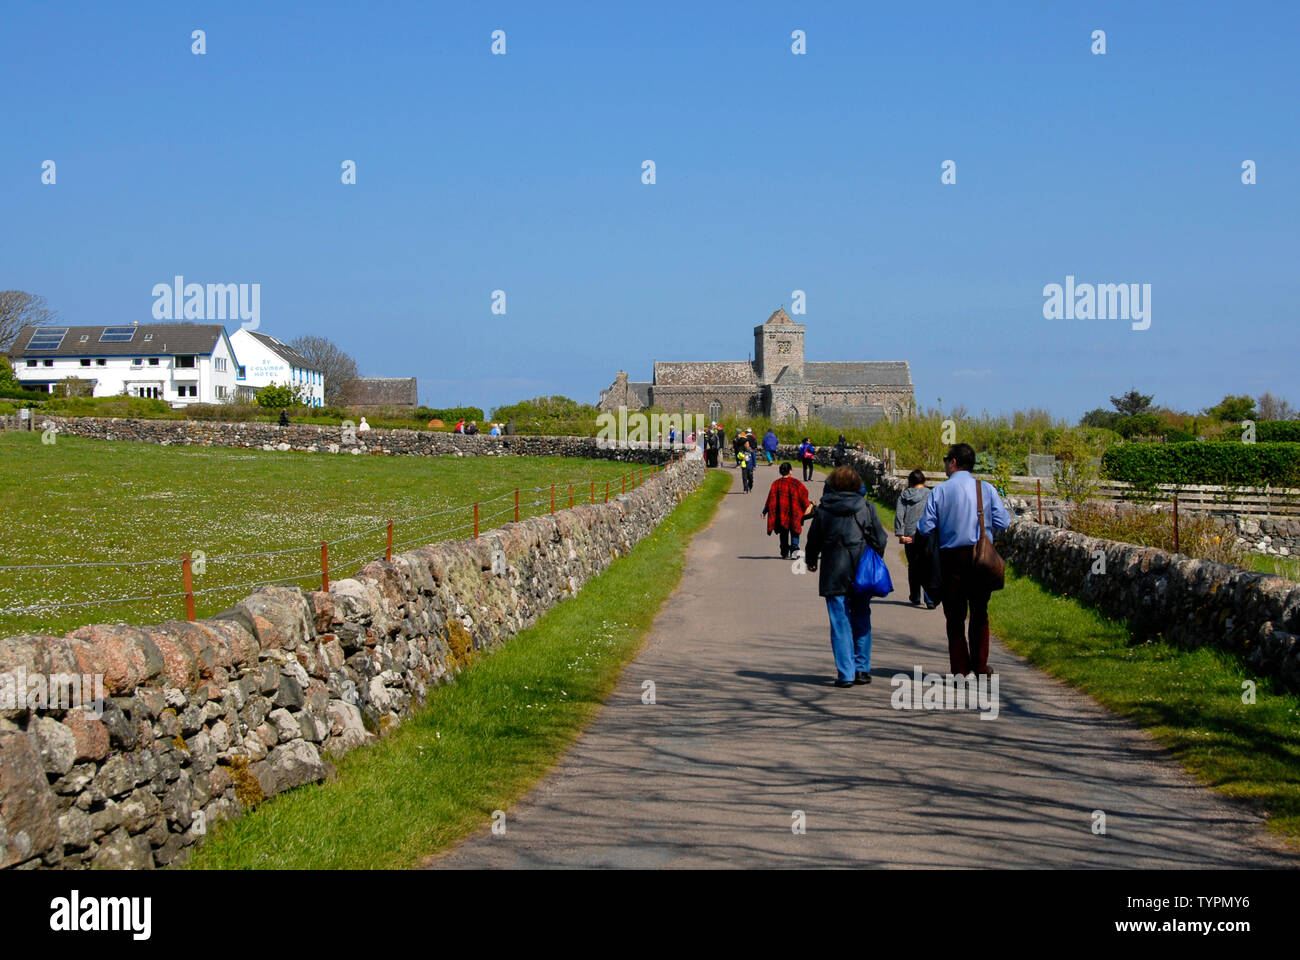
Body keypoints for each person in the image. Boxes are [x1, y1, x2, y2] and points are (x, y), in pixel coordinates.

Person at [916, 443, 1012, 676]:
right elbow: (1004, 522)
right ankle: (980, 664)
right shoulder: (985, 489)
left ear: (954, 462)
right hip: (980, 557)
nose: (946, 465)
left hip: (952, 558)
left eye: (946, 460)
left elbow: (925, 526)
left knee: (955, 616)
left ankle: (959, 667)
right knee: (980, 612)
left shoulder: (939, 491)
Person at [804, 465, 889, 687]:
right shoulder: (867, 508)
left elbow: (813, 541)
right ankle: (862, 668)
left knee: (839, 622)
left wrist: (811, 561)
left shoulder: (823, 510)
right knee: (861, 618)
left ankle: (846, 673)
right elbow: (880, 539)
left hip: (833, 572)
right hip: (861, 570)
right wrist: (875, 558)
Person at [894, 469, 936, 608]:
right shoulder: (931, 494)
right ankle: (929, 597)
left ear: (910, 482)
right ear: (924, 481)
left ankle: (915, 595)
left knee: (913, 565)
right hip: (927, 534)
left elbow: (900, 515)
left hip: (910, 534)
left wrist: (901, 534)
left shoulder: (904, 496)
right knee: (928, 565)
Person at [762, 462, 810, 559]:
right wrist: (808, 505)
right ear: (790, 471)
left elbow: (770, 500)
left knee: (783, 533)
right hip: (794, 512)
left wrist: (764, 511)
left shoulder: (776, 484)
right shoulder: (796, 483)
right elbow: (805, 493)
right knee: (794, 531)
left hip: (781, 514)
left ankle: (784, 552)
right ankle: (794, 551)